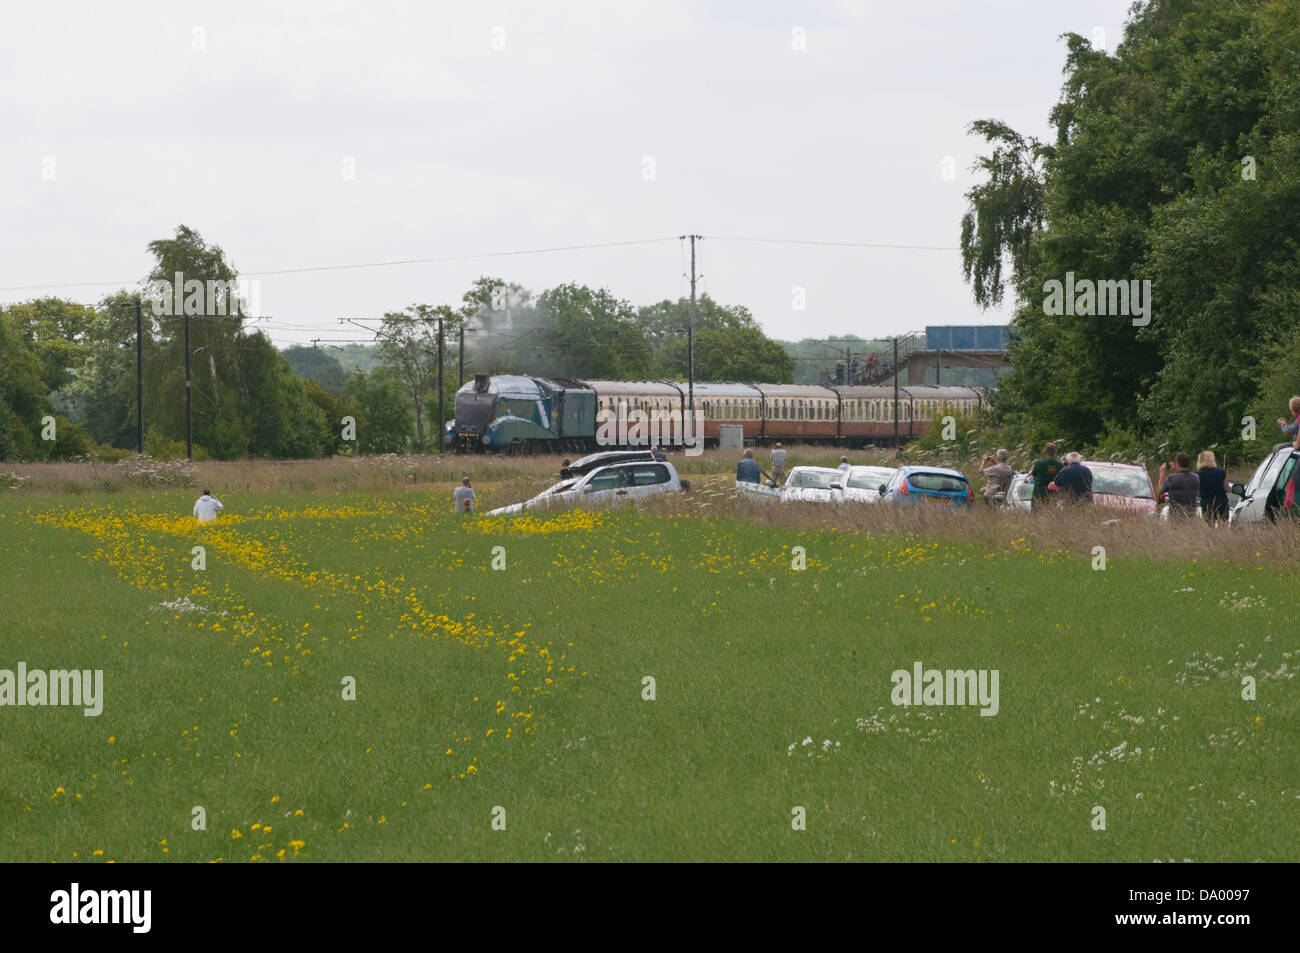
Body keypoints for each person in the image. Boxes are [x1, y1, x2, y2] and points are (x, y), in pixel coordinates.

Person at [1197, 450, 1230, 525]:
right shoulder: (1221, 472)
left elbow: (1197, 493)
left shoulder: (1197, 474)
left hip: (1207, 503)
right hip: (1222, 502)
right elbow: (1227, 489)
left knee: (1209, 526)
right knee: (1223, 525)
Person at [1029, 442, 1063, 511]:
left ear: (1045, 452)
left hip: (1039, 494)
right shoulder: (1060, 465)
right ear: (1055, 452)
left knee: (1036, 517)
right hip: (1053, 495)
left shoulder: (1038, 463)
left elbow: (1033, 477)